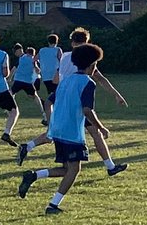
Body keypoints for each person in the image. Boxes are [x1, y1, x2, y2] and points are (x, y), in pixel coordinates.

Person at [16, 27, 128, 176]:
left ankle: (28, 147)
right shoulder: (85, 58)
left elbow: (56, 79)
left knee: (55, 132)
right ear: (86, 42)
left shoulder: (65, 57)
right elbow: (99, 78)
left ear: (72, 42)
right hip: (76, 101)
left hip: (63, 97)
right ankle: (109, 166)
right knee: (93, 133)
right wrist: (116, 95)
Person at [18, 43, 108, 214]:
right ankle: (53, 205)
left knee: (67, 169)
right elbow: (87, 110)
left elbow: (49, 101)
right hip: (72, 133)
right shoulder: (88, 83)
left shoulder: (66, 80)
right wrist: (101, 128)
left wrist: (52, 122)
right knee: (75, 170)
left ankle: (34, 175)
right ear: (92, 65)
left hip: (59, 131)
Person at [9, 44, 48, 126]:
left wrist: (9, 78)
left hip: (19, 80)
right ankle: (44, 115)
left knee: (11, 93)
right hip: (28, 82)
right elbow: (37, 70)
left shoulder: (21, 58)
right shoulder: (33, 60)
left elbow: (13, 69)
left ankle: (11, 109)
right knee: (35, 97)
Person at [36, 34, 63, 99]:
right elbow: (62, 61)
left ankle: (51, 106)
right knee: (57, 92)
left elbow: (34, 59)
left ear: (48, 42)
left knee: (51, 92)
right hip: (55, 75)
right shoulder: (58, 49)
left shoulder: (42, 50)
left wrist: (37, 66)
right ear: (56, 42)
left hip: (45, 75)